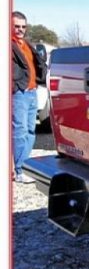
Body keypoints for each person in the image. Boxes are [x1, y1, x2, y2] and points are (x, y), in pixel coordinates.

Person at [11, 11, 45, 183]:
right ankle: (19, 171)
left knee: (31, 131)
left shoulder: (27, 44)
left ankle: (23, 166)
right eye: (16, 26)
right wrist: (15, 85)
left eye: (23, 26)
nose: (20, 30)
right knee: (20, 131)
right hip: (19, 93)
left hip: (32, 92)